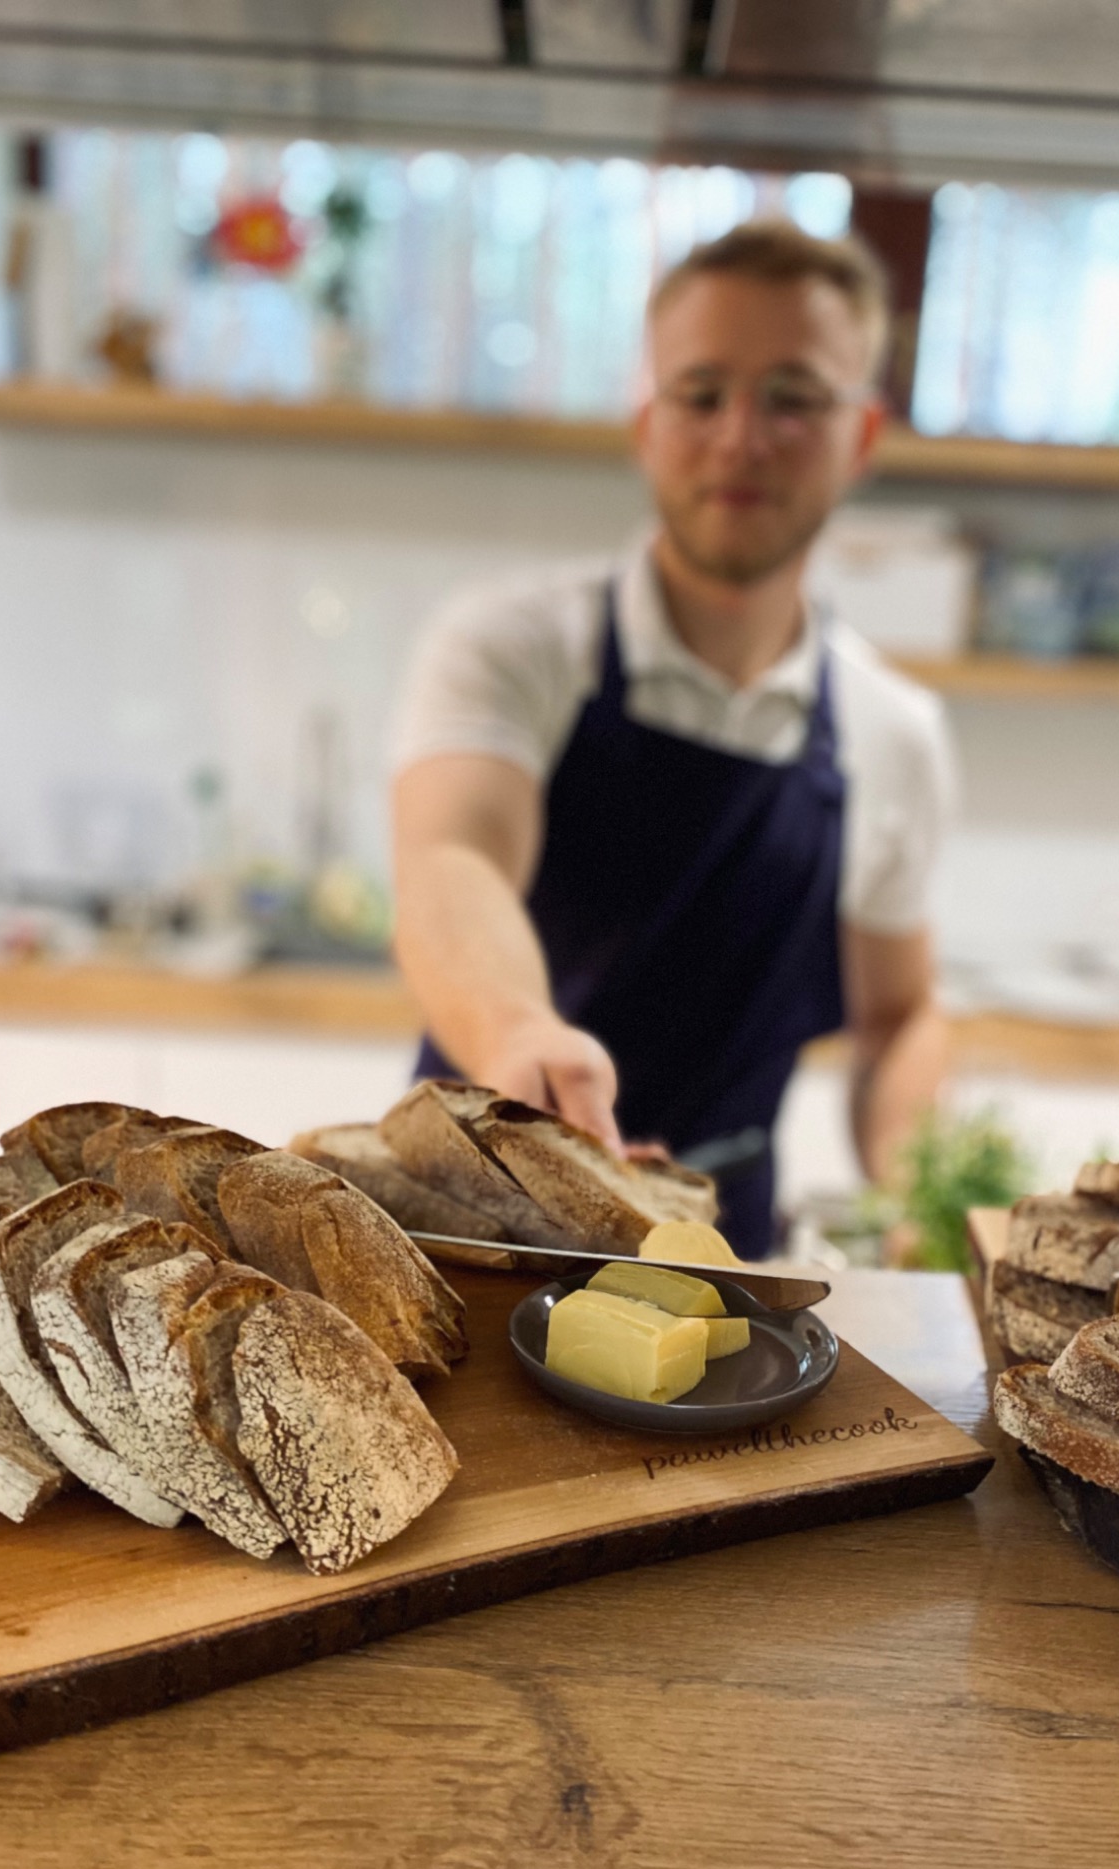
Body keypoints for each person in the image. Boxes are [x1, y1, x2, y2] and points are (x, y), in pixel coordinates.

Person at [391, 219, 955, 1258]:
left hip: (717, 1248)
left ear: (862, 436)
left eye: (794, 397)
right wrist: (517, 1031)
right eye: (703, 394)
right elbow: (450, 856)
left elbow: (899, 1016)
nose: (741, 436)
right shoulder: (513, 642)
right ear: (648, 423)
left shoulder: (894, 731)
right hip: (473, 1220)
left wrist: (920, 1191)